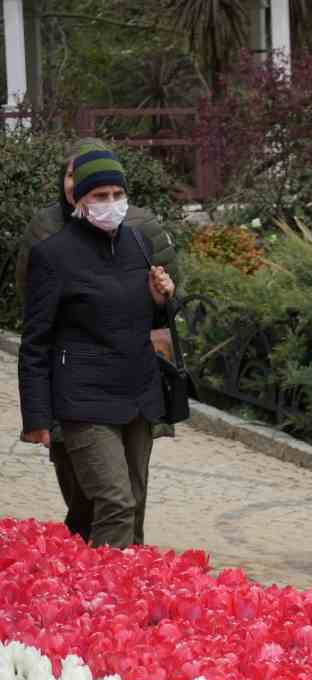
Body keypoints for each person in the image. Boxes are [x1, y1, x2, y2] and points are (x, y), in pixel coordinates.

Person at [15, 138, 180, 543]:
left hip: (138, 394)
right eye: (100, 196)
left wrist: (161, 300)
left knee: (134, 505)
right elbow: (35, 342)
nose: (111, 203)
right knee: (115, 503)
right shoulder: (53, 254)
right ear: (80, 200)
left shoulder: (138, 243)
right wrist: (36, 418)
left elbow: (150, 321)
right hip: (84, 400)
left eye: (118, 194)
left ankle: (122, 576)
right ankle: (104, 582)